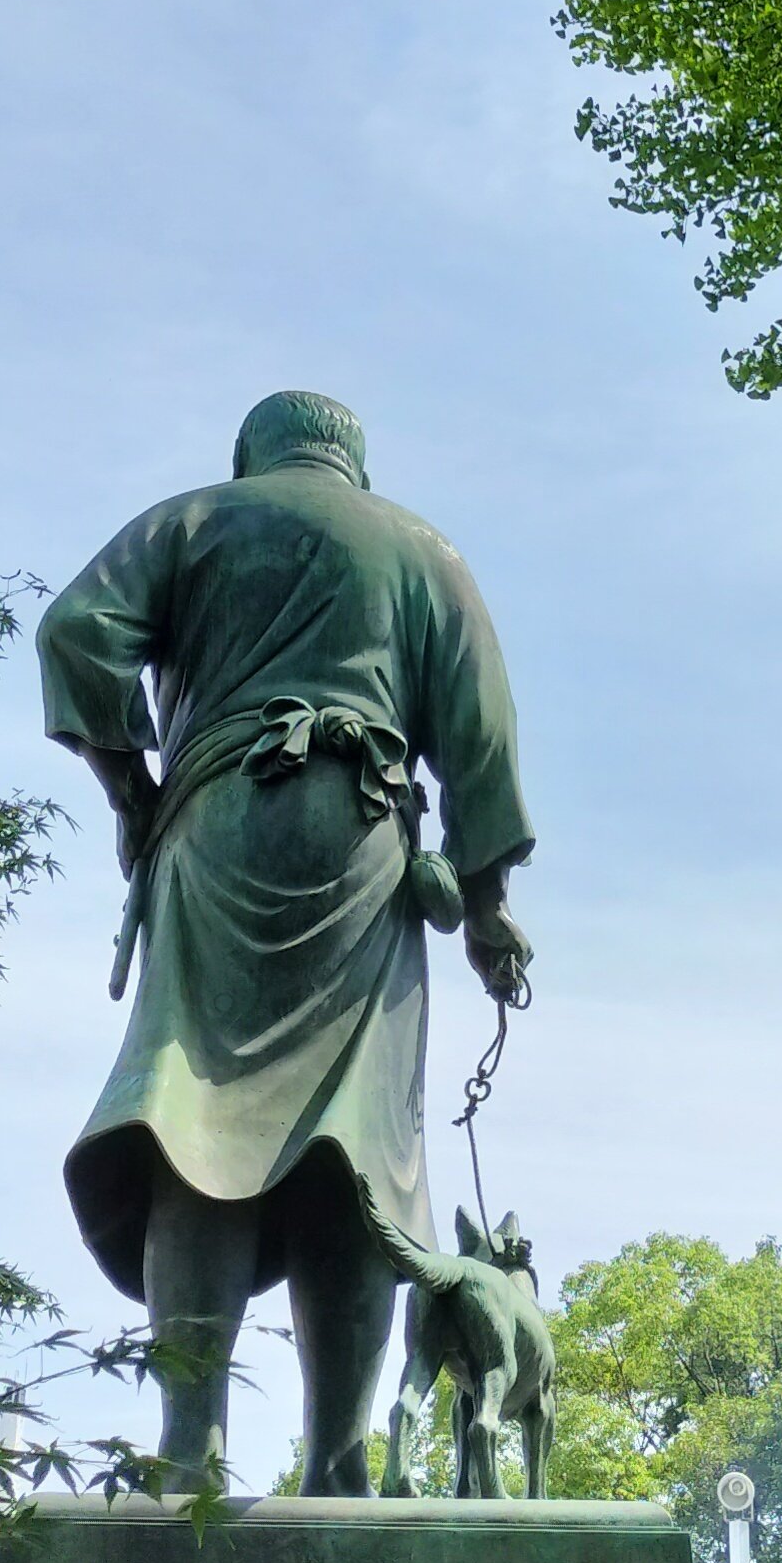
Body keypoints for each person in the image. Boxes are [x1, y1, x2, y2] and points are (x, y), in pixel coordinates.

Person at [37, 391, 533, 1493]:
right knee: (359, 1144)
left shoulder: (195, 520)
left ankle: (187, 1447)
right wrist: (486, 901)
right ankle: (339, 1458)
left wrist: (133, 789)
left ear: (249, 456)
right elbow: (482, 731)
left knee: (194, 1111)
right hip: (364, 841)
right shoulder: (420, 548)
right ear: (351, 463)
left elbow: (73, 633)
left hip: (214, 829)